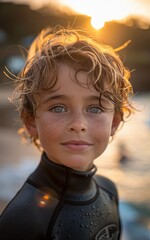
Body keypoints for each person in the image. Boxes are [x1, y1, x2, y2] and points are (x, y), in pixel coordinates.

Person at [0, 26, 134, 240]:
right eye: (58, 108)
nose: (78, 124)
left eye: (95, 108)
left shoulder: (109, 191)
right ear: (30, 121)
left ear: (114, 123)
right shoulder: (23, 219)